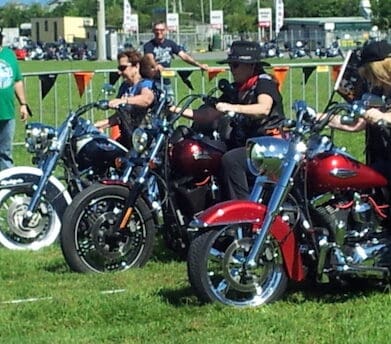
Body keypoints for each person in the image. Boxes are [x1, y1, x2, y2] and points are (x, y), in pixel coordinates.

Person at [171, 40, 285, 199]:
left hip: (271, 146)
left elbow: (263, 108)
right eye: (231, 65)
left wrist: (233, 107)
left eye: (236, 65)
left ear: (251, 66)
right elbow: (208, 115)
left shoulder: (263, 83)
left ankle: (243, 212)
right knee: (207, 153)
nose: (231, 69)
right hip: (249, 145)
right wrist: (173, 109)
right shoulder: (238, 88)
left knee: (231, 160)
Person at [325, 40, 391, 180]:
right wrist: (324, 119)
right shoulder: (377, 90)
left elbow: (381, 117)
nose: (367, 77)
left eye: (368, 72)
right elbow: (357, 123)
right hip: (381, 157)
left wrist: (383, 117)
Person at [95, 49, 157, 149]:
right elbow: (120, 116)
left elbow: (147, 99)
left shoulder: (146, 84)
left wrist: (124, 100)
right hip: (128, 138)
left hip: (145, 141)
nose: (119, 72)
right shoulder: (124, 87)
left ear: (136, 66)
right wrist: (99, 125)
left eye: (123, 68)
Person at [143, 21, 209, 99]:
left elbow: (184, 56)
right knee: (155, 105)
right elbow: (149, 57)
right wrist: (156, 65)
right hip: (152, 81)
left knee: (170, 103)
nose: (159, 32)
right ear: (153, 31)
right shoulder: (148, 45)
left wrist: (199, 65)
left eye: (162, 30)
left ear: (166, 30)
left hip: (166, 81)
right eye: (157, 29)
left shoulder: (170, 44)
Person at [0, 27, 29, 171]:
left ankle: (6, 187)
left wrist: (23, 104)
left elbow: (17, 80)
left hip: (7, 112)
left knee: (5, 153)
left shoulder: (9, 55)